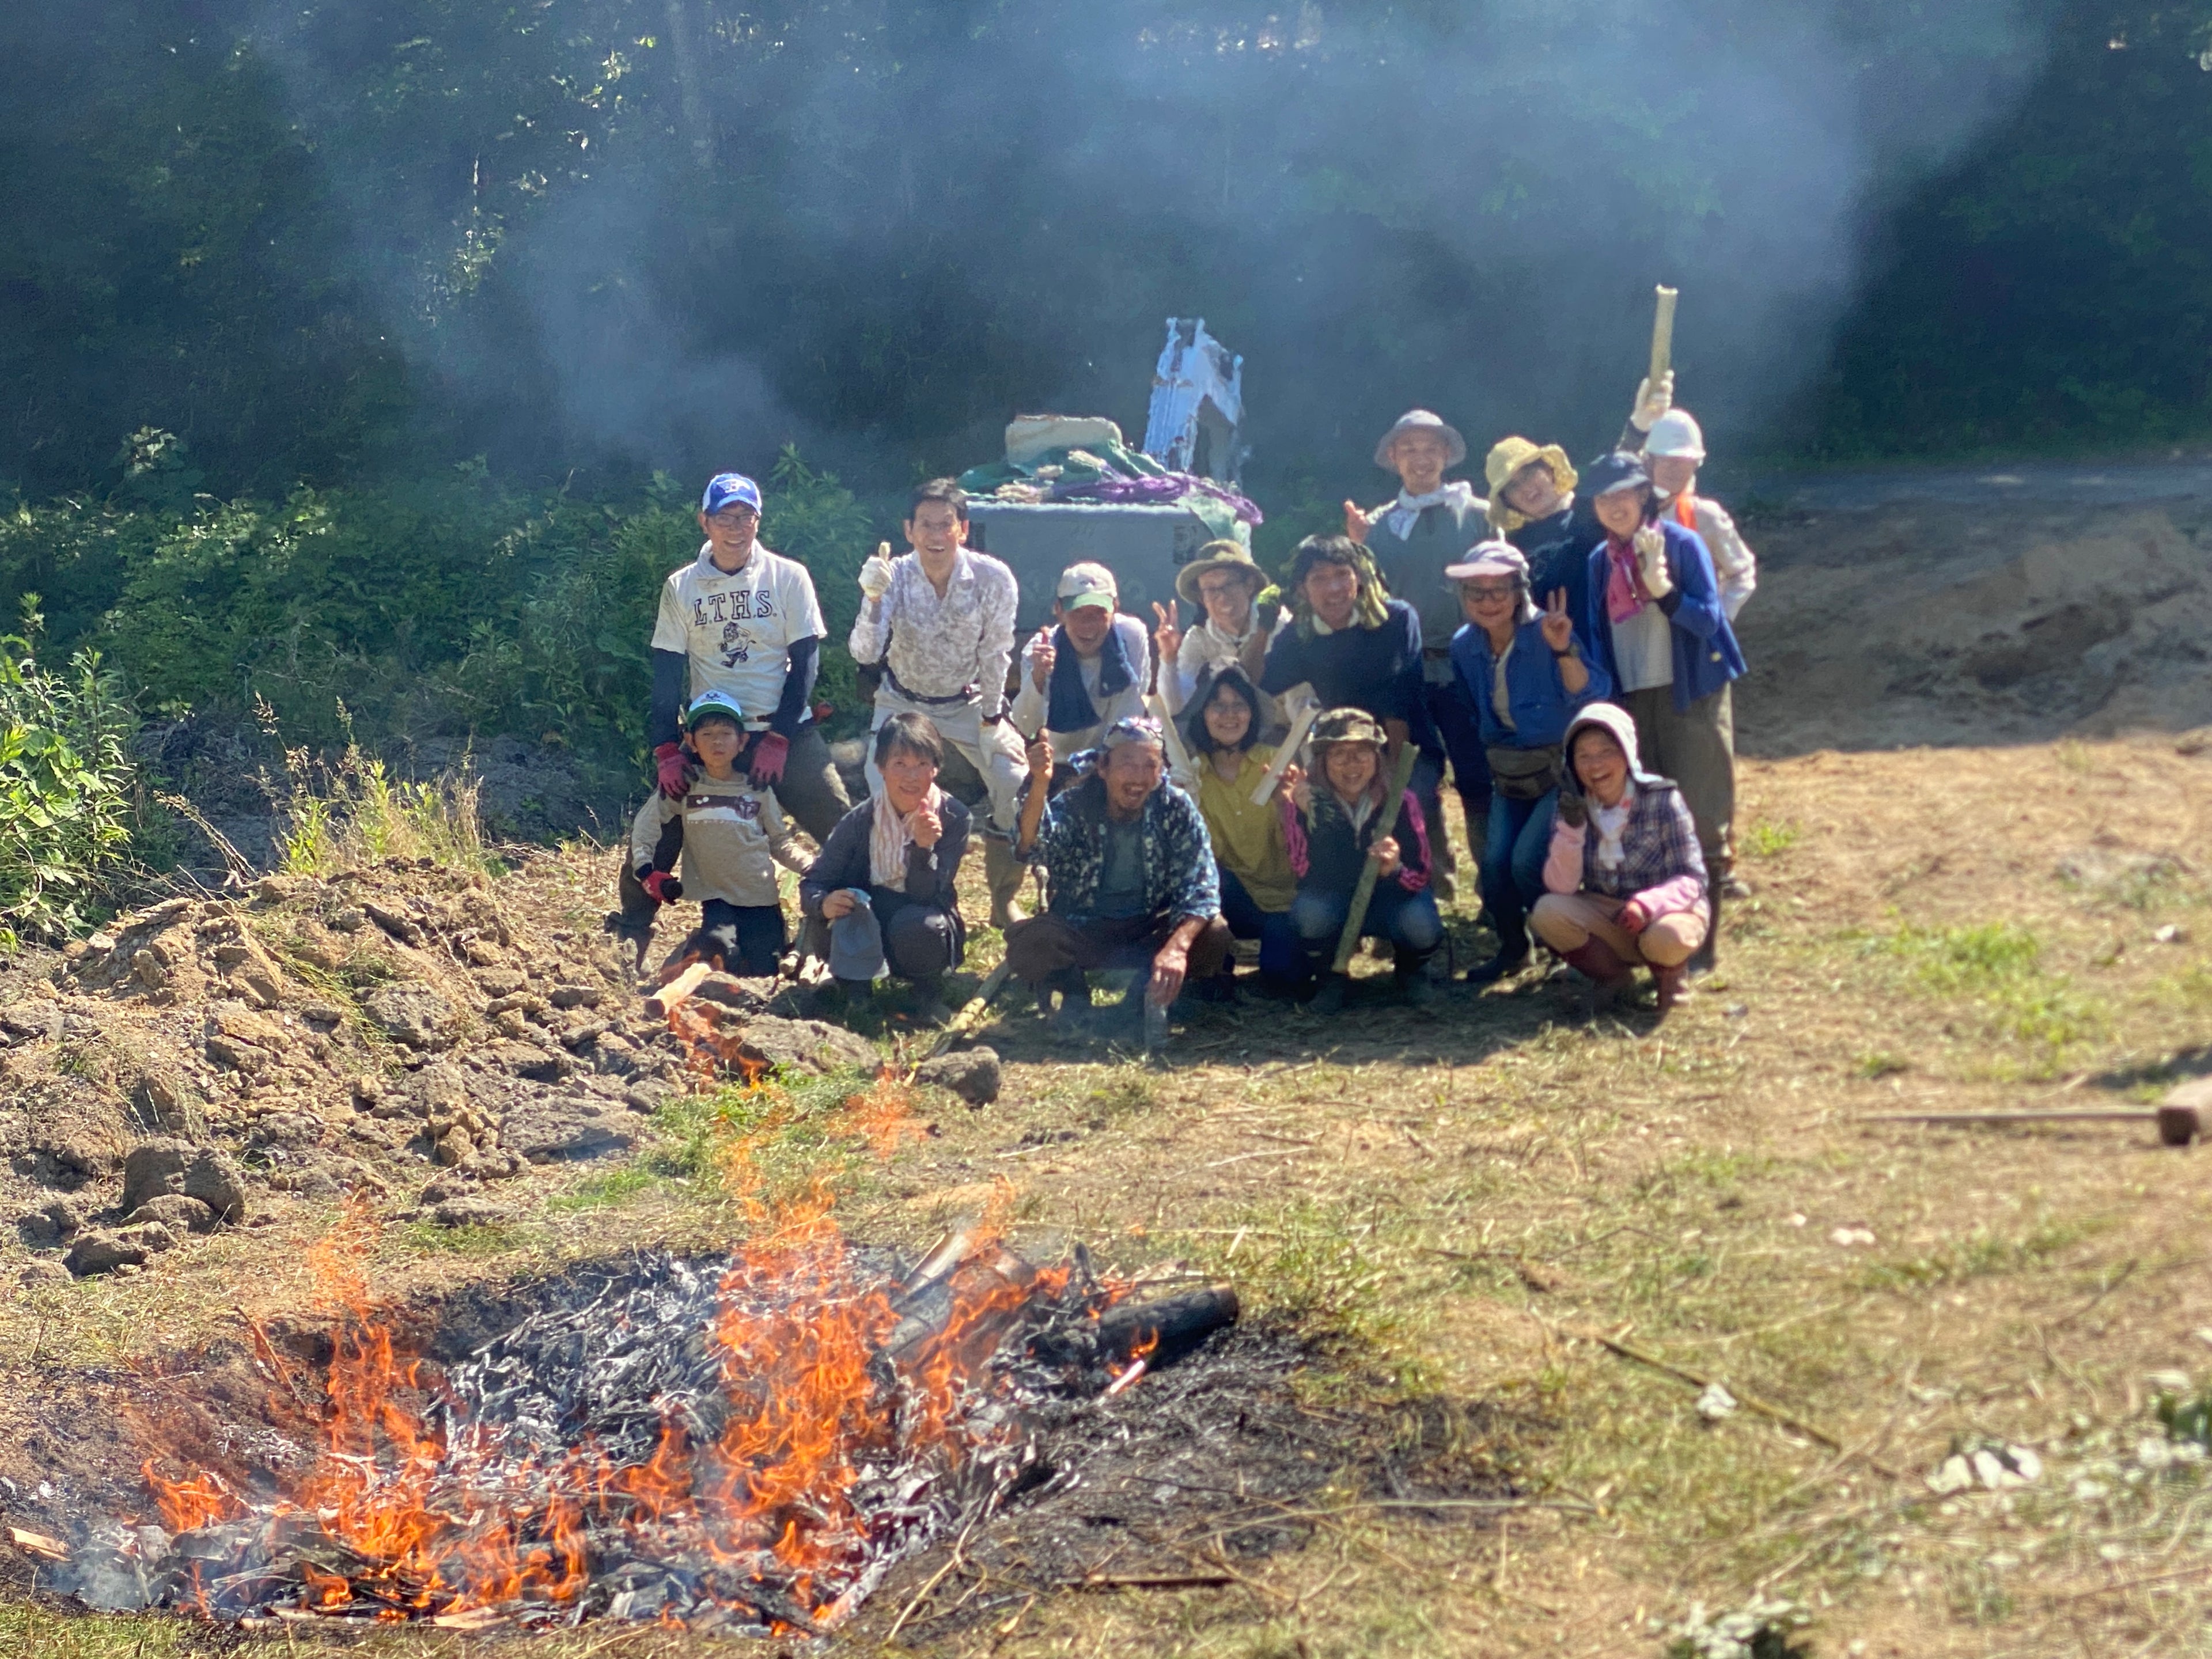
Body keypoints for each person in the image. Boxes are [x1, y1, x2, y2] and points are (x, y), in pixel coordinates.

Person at [1577, 451, 1745, 973]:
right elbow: (1597, 636)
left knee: (1702, 813)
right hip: (1633, 700)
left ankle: (1702, 948)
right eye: (1603, 499)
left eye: (1624, 495)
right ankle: (1654, 940)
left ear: (1644, 496)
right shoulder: (1599, 561)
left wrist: (1664, 592)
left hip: (1690, 693)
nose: (1614, 507)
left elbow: (1710, 621)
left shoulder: (1682, 543)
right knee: (1648, 817)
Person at [847, 478, 1029, 929]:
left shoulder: (993, 578)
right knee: (878, 784)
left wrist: (992, 717)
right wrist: (872, 600)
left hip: (969, 702)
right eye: (925, 525)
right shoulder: (893, 575)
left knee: (1011, 780)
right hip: (902, 701)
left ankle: (1003, 897)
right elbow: (865, 652)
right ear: (909, 531)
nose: (935, 535)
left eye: (945, 524)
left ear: (962, 530)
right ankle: (892, 895)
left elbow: (997, 653)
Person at [649, 471, 851, 843]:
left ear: (758, 520)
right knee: (658, 833)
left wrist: (779, 738)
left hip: (785, 728)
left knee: (843, 832)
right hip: (712, 734)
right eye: (724, 518)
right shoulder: (681, 587)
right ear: (704, 521)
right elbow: (667, 671)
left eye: (746, 517)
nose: (736, 528)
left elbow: (805, 664)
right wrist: (666, 749)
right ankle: (641, 888)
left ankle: (877, 883)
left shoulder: (789, 576)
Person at [1007, 717, 1232, 1054]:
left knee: (1214, 934)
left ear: (1160, 771)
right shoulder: (1076, 804)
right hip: (1081, 928)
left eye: (1149, 765)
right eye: (1127, 763)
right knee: (1032, 943)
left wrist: (1176, 949)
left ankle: (1138, 1003)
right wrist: (1040, 783)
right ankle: (1074, 997)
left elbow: (1201, 886)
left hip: (1148, 928)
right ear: (1103, 767)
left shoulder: (1175, 807)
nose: (1138, 777)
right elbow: (1033, 845)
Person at [1259, 536, 1444, 929]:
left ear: (1359, 578)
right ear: (1302, 589)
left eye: (1342, 575)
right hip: (1342, 751)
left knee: (1412, 807)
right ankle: (1345, 907)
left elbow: (1400, 698)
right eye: (1319, 579)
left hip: (1404, 745)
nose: (1334, 588)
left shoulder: (1395, 619)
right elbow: (1262, 683)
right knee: (1333, 822)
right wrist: (1263, 627)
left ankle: (1420, 901)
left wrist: (1390, 774)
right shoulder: (1301, 635)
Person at [1446, 541, 1610, 984]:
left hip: (1558, 770)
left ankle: (1566, 947)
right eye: (1476, 592)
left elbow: (1591, 694)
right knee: (1494, 864)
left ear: (1519, 591)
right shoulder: (1464, 646)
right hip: (1508, 771)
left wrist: (1562, 649)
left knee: (1526, 861)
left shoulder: (1548, 632)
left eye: (1499, 590)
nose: (1488, 602)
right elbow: (1477, 709)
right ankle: (1514, 949)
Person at [1344, 409, 1492, 897]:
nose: (1421, 459)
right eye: (1409, 449)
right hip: (1408, 669)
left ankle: (1493, 885)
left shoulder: (1478, 514)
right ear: (1393, 457)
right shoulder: (1379, 526)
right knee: (1416, 778)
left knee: (1477, 776)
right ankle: (1436, 880)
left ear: (1447, 455)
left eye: (1431, 448)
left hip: (1470, 663)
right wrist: (1358, 546)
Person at [1530, 703, 1709, 1018]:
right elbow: (1561, 887)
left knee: (1667, 936)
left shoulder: (1662, 799)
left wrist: (1647, 906)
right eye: (1584, 756)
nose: (1595, 765)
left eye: (1606, 751)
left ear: (1627, 754)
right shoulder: (1572, 805)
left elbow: (1693, 878)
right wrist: (1572, 829)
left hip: (1665, 913)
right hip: (1609, 915)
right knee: (1547, 912)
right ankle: (1613, 978)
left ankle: (1671, 978)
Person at [799, 713, 971, 1025]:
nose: (911, 777)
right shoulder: (860, 820)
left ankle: (926, 991)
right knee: (832, 918)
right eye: (899, 764)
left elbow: (927, 894)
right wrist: (823, 903)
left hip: (920, 919)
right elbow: (814, 883)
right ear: (881, 767)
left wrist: (922, 849)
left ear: (936, 768)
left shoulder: (954, 817)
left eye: (922, 764)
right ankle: (857, 994)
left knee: (919, 926)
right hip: (870, 915)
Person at [630, 691, 813, 976]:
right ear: (691, 742)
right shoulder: (685, 786)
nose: (717, 741)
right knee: (717, 949)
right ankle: (688, 953)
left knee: (766, 969)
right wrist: (646, 870)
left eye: (726, 733)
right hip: (717, 901)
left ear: (742, 742)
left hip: (761, 899)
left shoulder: (757, 789)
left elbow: (780, 842)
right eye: (707, 734)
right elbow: (646, 826)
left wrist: (812, 867)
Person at [1482, 373, 1675, 631]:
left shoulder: (1588, 508)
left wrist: (1640, 424)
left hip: (1616, 636)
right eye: (1513, 487)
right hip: (1554, 649)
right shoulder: (1515, 546)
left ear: (1549, 469)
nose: (1526, 488)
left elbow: (1617, 472)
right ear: (1508, 503)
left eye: (1529, 474)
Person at [1283, 707, 1441, 1014]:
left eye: (1362, 752)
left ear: (1377, 757)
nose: (1352, 764)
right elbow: (1305, 872)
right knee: (1311, 914)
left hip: (1391, 899)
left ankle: (1412, 972)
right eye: (1339, 754)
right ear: (1323, 761)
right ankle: (1331, 979)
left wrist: (1394, 869)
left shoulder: (1401, 800)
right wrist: (1325, 822)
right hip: (1333, 899)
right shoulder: (1304, 804)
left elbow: (1421, 872)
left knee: (1420, 922)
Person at [1177, 666, 1300, 994]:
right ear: (1203, 715)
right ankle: (1216, 965)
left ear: (1252, 713)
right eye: (1218, 706)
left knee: (1283, 979)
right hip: (1231, 897)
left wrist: (1287, 803)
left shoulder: (1276, 764)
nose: (1229, 715)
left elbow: (1299, 844)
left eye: (1239, 706)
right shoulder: (1193, 775)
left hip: (1284, 898)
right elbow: (1203, 857)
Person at [1010, 562, 1153, 766]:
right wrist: (1038, 677)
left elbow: (1130, 712)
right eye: (1077, 612)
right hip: (1059, 764)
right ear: (1059, 611)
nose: (1088, 623)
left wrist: (1105, 767)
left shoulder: (1132, 635)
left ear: (1115, 609)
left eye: (1099, 612)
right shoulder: (1040, 649)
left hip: (1112, 761)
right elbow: (1026, 726)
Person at [1642, 410, 1757, 626]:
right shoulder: (1629, 514)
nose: (1675, 469)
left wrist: (1718, 621)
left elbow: (1742, 572)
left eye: (1684, 461)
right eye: (1668, 460)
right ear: (1650, 462)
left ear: (1696, 465)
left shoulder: (1705, 516)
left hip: (1691, 633)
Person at [1152, 540, 1283, 724]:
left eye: (1229, 585)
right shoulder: (1199, 639)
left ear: (1249, 586)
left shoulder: (1279, 626)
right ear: (1202, 598)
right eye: (1211, 590)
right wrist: (1169, 658)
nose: (1222, 597)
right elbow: (1174, 708)